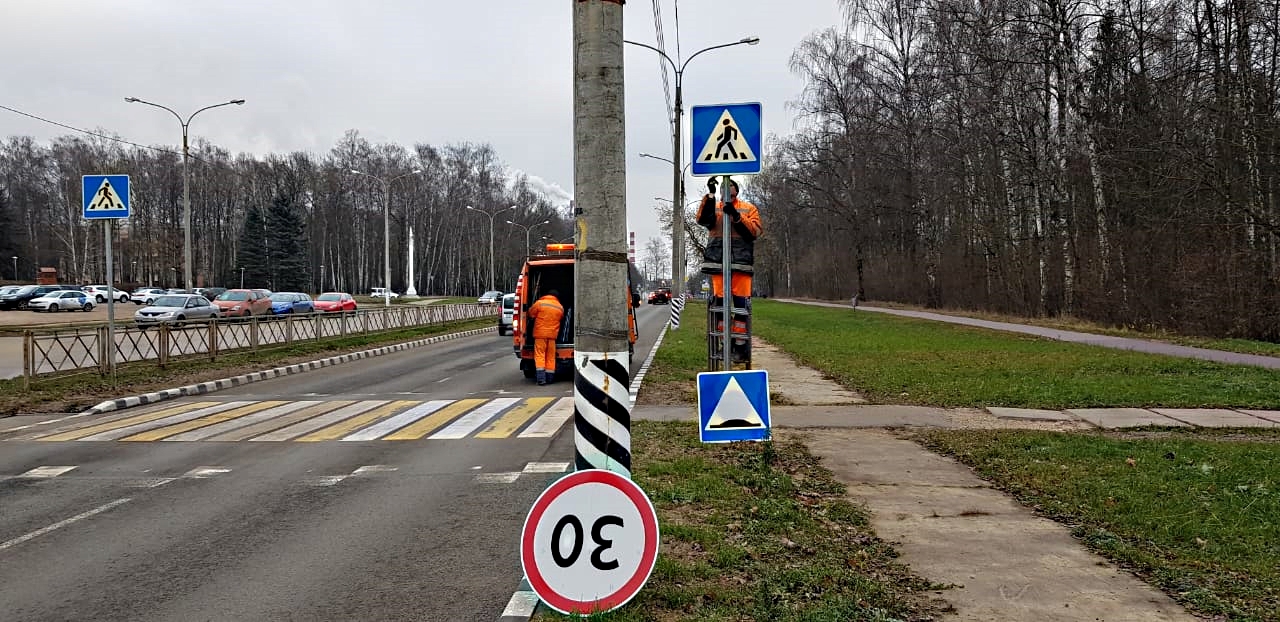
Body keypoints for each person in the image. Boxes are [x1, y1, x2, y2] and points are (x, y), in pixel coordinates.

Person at [696, 177, 762, 360]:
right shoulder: (714, 207)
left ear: (736, 190)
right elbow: (703, 219)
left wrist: (736, 216)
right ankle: (725, 345)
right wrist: (709, 195)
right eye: (723, 186)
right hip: (719, 264)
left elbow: (754, 231)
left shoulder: (748, 208)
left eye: (730, 185)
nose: (726, 187)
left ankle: (740, 348)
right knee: (720, 308)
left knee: (741, 307)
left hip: (740, 264)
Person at [526, 289, 564, 385]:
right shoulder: (560, 307)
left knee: (540, 355)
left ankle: (541, 379)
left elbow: (530, 313)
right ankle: (550, 378)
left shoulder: (540, 303)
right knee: (551, 357)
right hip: (552, 336)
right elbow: (561, 319)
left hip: (540, 335)